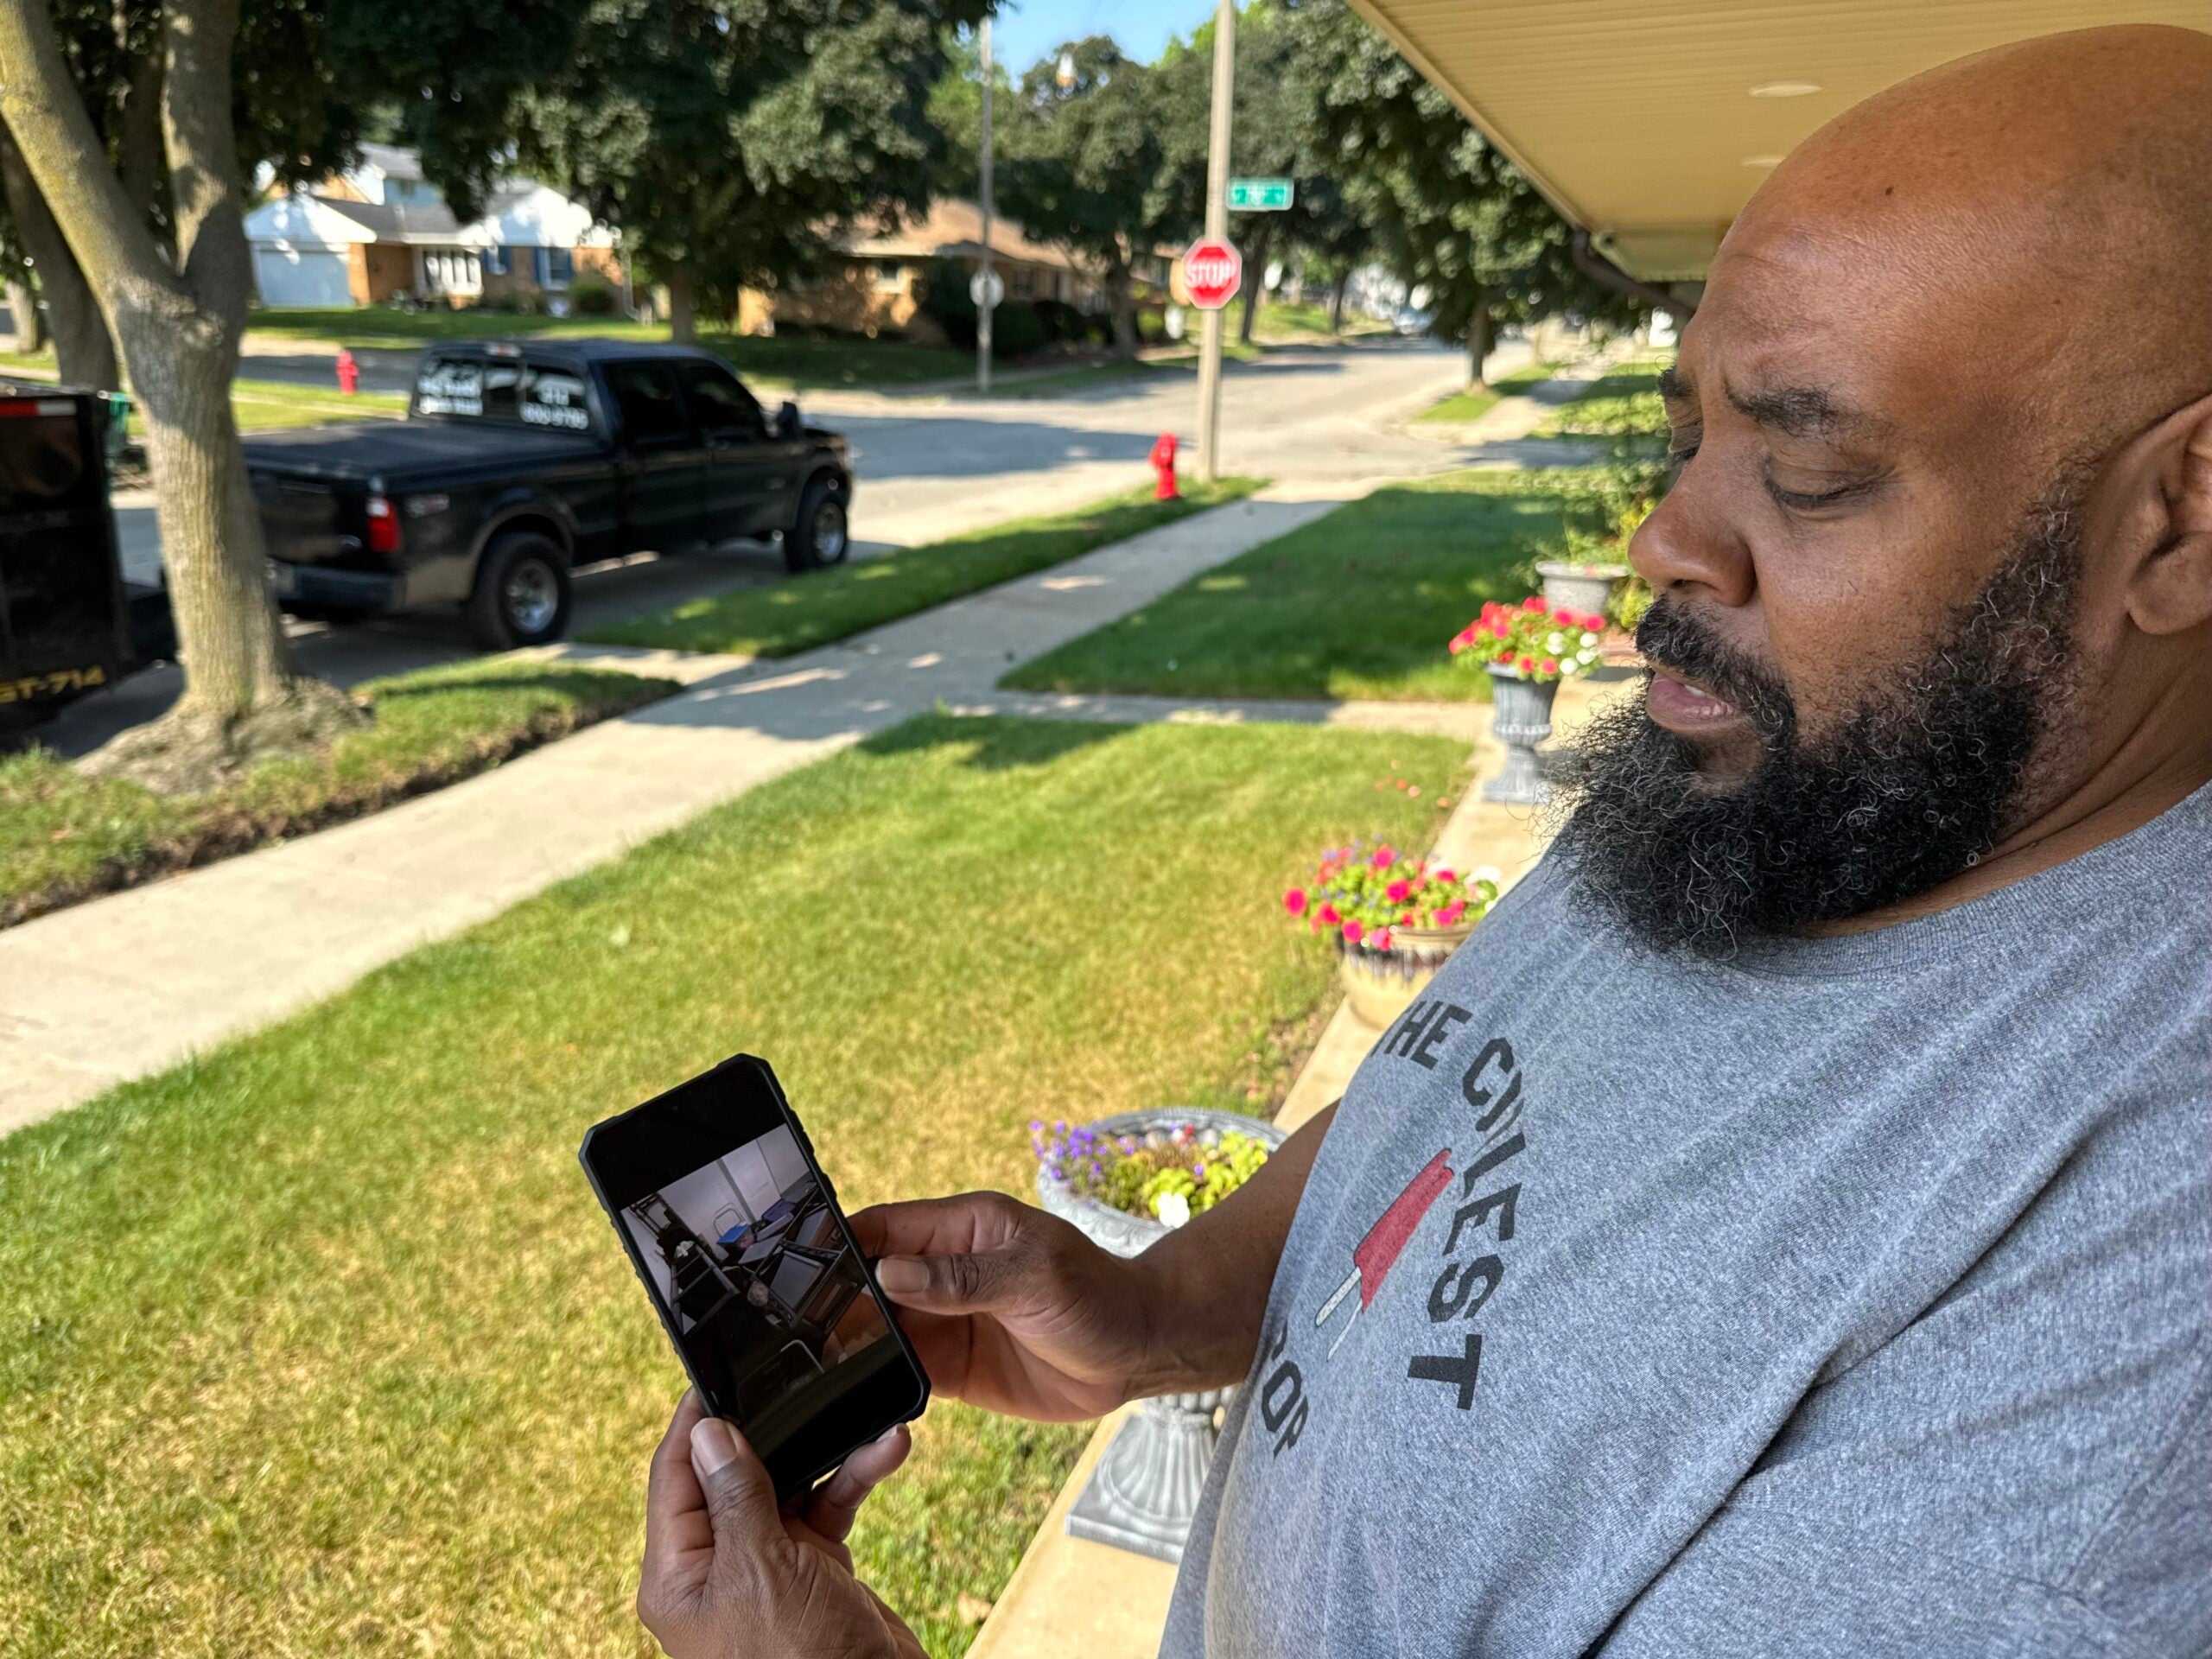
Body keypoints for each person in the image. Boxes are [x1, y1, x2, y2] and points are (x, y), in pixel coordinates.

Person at [635, 23, 2212, 1656]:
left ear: (2183, 510)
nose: (1664, 539)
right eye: (1689, 438)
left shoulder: (2141, 1297)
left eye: (1808, 466)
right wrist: (1163, 1306)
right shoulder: (1800, 790)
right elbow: (1474, 1090)